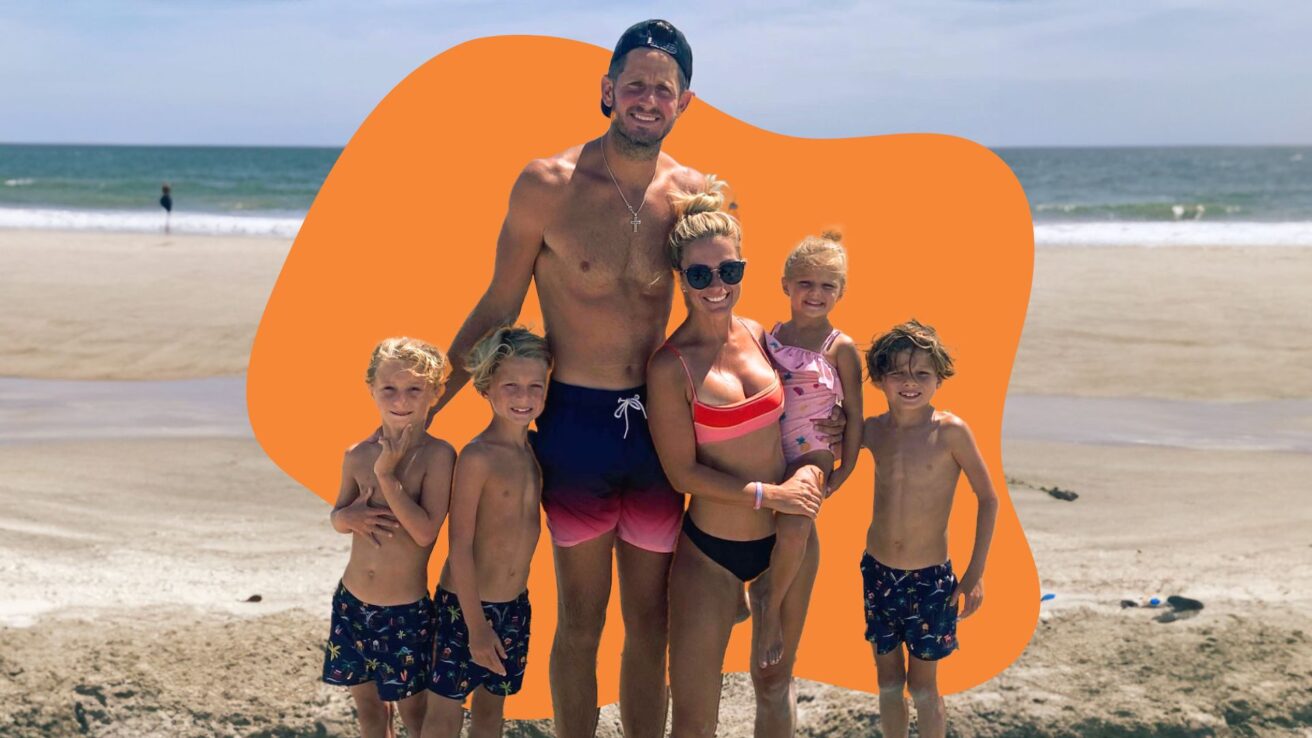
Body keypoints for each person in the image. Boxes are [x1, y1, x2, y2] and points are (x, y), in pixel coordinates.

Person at [646, 178, 826, 738]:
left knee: (775, 688)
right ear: (682, 279)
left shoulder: (759, 334)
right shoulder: (669, 365)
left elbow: (809, 398)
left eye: (730, 271)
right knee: (695, 720)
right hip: (711, 554)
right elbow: (682, 473)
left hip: (787, 546)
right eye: (700, 275)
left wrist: (834, 427)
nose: (716, 285)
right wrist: (769, 495)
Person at [860, 320, 999, 738]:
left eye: (921, 373)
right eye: (898, 372)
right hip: (878, 571)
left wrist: (974, 575)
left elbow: (988, 499)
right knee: (887, 683)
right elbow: (829, 441)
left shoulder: (951, 432)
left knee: (923, 687)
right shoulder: (872, 430)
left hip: (930, 580)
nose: (910, 382)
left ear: (939, 378)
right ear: (881, 378)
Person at [323, 337, 457, 738]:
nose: (401, 399)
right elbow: (337, 519)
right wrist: (348, 516)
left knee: (414, 713)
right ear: (371, 391)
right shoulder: (356, 454)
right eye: (389, 389)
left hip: (404, 613)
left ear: (435, 393)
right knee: (369, 712)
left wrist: (387, 475)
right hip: (351, 603)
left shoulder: (438, 456)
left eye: (414, 389)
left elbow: (425, 531)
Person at [423, 326, 552, 738]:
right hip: (464, 607)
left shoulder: (535, 449)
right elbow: (459, 545)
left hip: (514, 606)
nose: (524, 397)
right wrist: (476, 627)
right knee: (444, 713)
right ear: (485, 388)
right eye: (510, 385)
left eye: (535, 386)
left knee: (492, 712)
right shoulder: (477, 456)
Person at [757, 231, 864, 669]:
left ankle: (770, 610)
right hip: (767, 449)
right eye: (805, 283)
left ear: (841, 291)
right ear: (785, 284)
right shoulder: (767, 337)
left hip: (813, 451)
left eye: (827, 286)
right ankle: (741, 594)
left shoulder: (840, 347)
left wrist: (846, 469)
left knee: (797, 522)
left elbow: (855, 414)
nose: (815, 294)